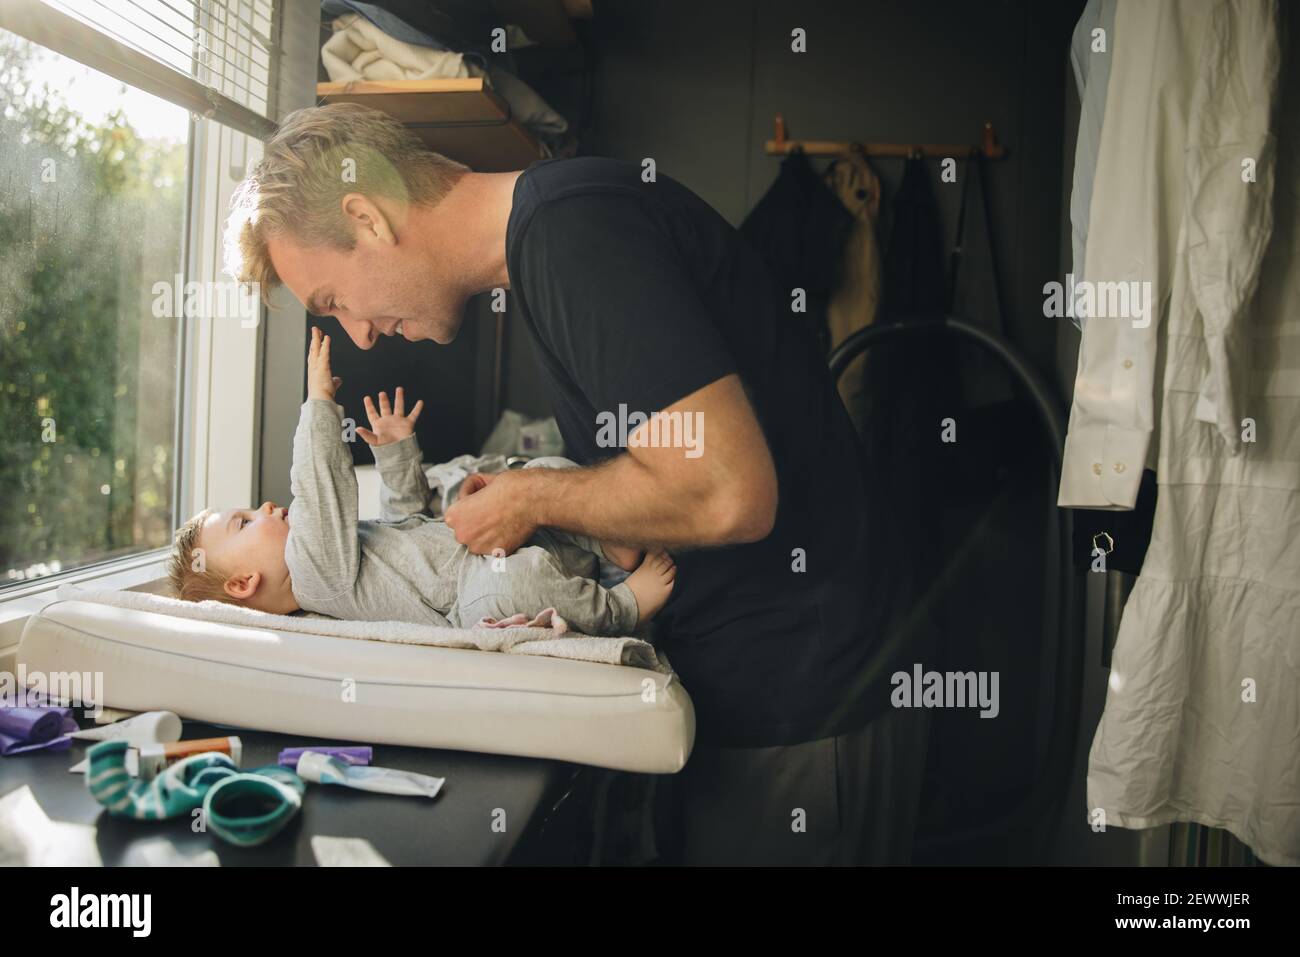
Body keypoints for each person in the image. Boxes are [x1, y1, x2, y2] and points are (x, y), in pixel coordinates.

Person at [224, 102, 929, 865]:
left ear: (365, 217)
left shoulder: (572, 236)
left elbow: (729, 490)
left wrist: (533, 499)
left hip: (806, 701)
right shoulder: (554, 234)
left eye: (333, 301)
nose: (357, 333)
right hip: (768, 686)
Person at [167, 326, 676, 634]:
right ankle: (620, 605)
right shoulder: (313, 575)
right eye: (244, 522)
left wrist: (394, 454)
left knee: (537, 479)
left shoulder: (332, 561)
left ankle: (607, 546)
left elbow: (405, 518)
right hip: (472, 593)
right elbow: (320, 486)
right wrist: (319, 403)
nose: (265, 507)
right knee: (513, 585)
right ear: (243, 583)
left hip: (483, 547)